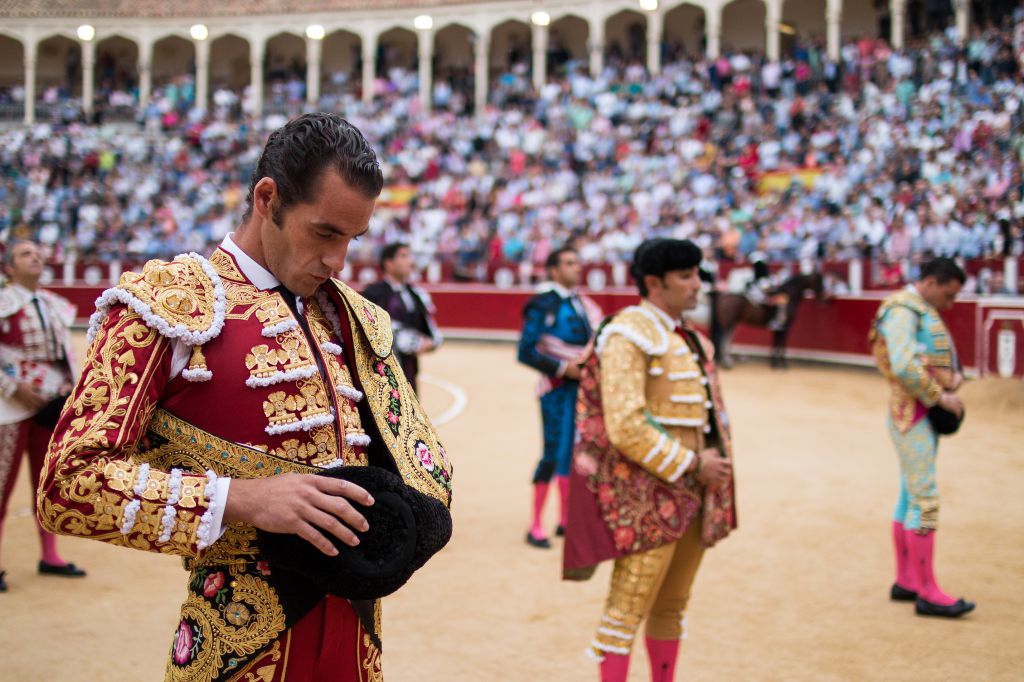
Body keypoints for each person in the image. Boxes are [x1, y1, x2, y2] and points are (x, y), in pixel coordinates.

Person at [38, 113, 454, 681]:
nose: (338, 261)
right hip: (234, 638)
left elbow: (426, 468)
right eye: (324, 233)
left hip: (357, 637)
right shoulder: (165, 306)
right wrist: (240, 499)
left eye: (352, 239)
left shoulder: (350, 315)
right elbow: (67, 483)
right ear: (267, 198)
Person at [563, 239, 736, 681]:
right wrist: (694, 464)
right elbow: (626, 425)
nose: (697, 285)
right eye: (686, 276)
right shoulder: (628, 333)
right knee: (625, 612)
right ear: (655, 283)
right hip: (647, 495)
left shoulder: (689, 338)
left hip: (696, 491)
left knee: (672, 606)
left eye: (697, 275)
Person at [869, 256, 975, 618]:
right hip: (912, 414)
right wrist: (940, 395)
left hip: (914, 413)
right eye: (948, 294)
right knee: (924, 499)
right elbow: (902, 364)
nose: (951, 303)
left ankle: (907, 580)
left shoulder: (914, 308)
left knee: (909, 495)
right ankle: (927, 591)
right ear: (930, 282)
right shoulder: (903, 309)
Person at [0, 240, 86, 592]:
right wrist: (11, 387)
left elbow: (64, 356)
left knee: (46, 481)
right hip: (8, 406)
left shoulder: (53, 304)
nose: (35, 257)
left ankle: (50, 555)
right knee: (1, 486)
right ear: (9, 268)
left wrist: (67, 387)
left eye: (37, 253)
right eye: (25, 254)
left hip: (49, 403)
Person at [517, 247, 600, 548]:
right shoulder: (544, 303)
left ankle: (565, 519)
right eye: (569, 263)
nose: (577, 267)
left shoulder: (580, 301)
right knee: (553, 451)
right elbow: (525, 351)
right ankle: (535, 525)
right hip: (555, 387)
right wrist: (564, 368)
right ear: (553, 270)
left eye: (577, 262)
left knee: (572, 452)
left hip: (578, 388)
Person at [362, 243, 442, 392]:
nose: (410, 261)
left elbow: (430, 330)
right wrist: (414, 343)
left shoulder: (415, 294)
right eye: (404, 256)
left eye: (410, 256)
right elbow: (370, 329)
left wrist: (430, 342)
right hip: (381, 371)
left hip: (409, 370)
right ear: (388, 263)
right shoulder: (374, 293)